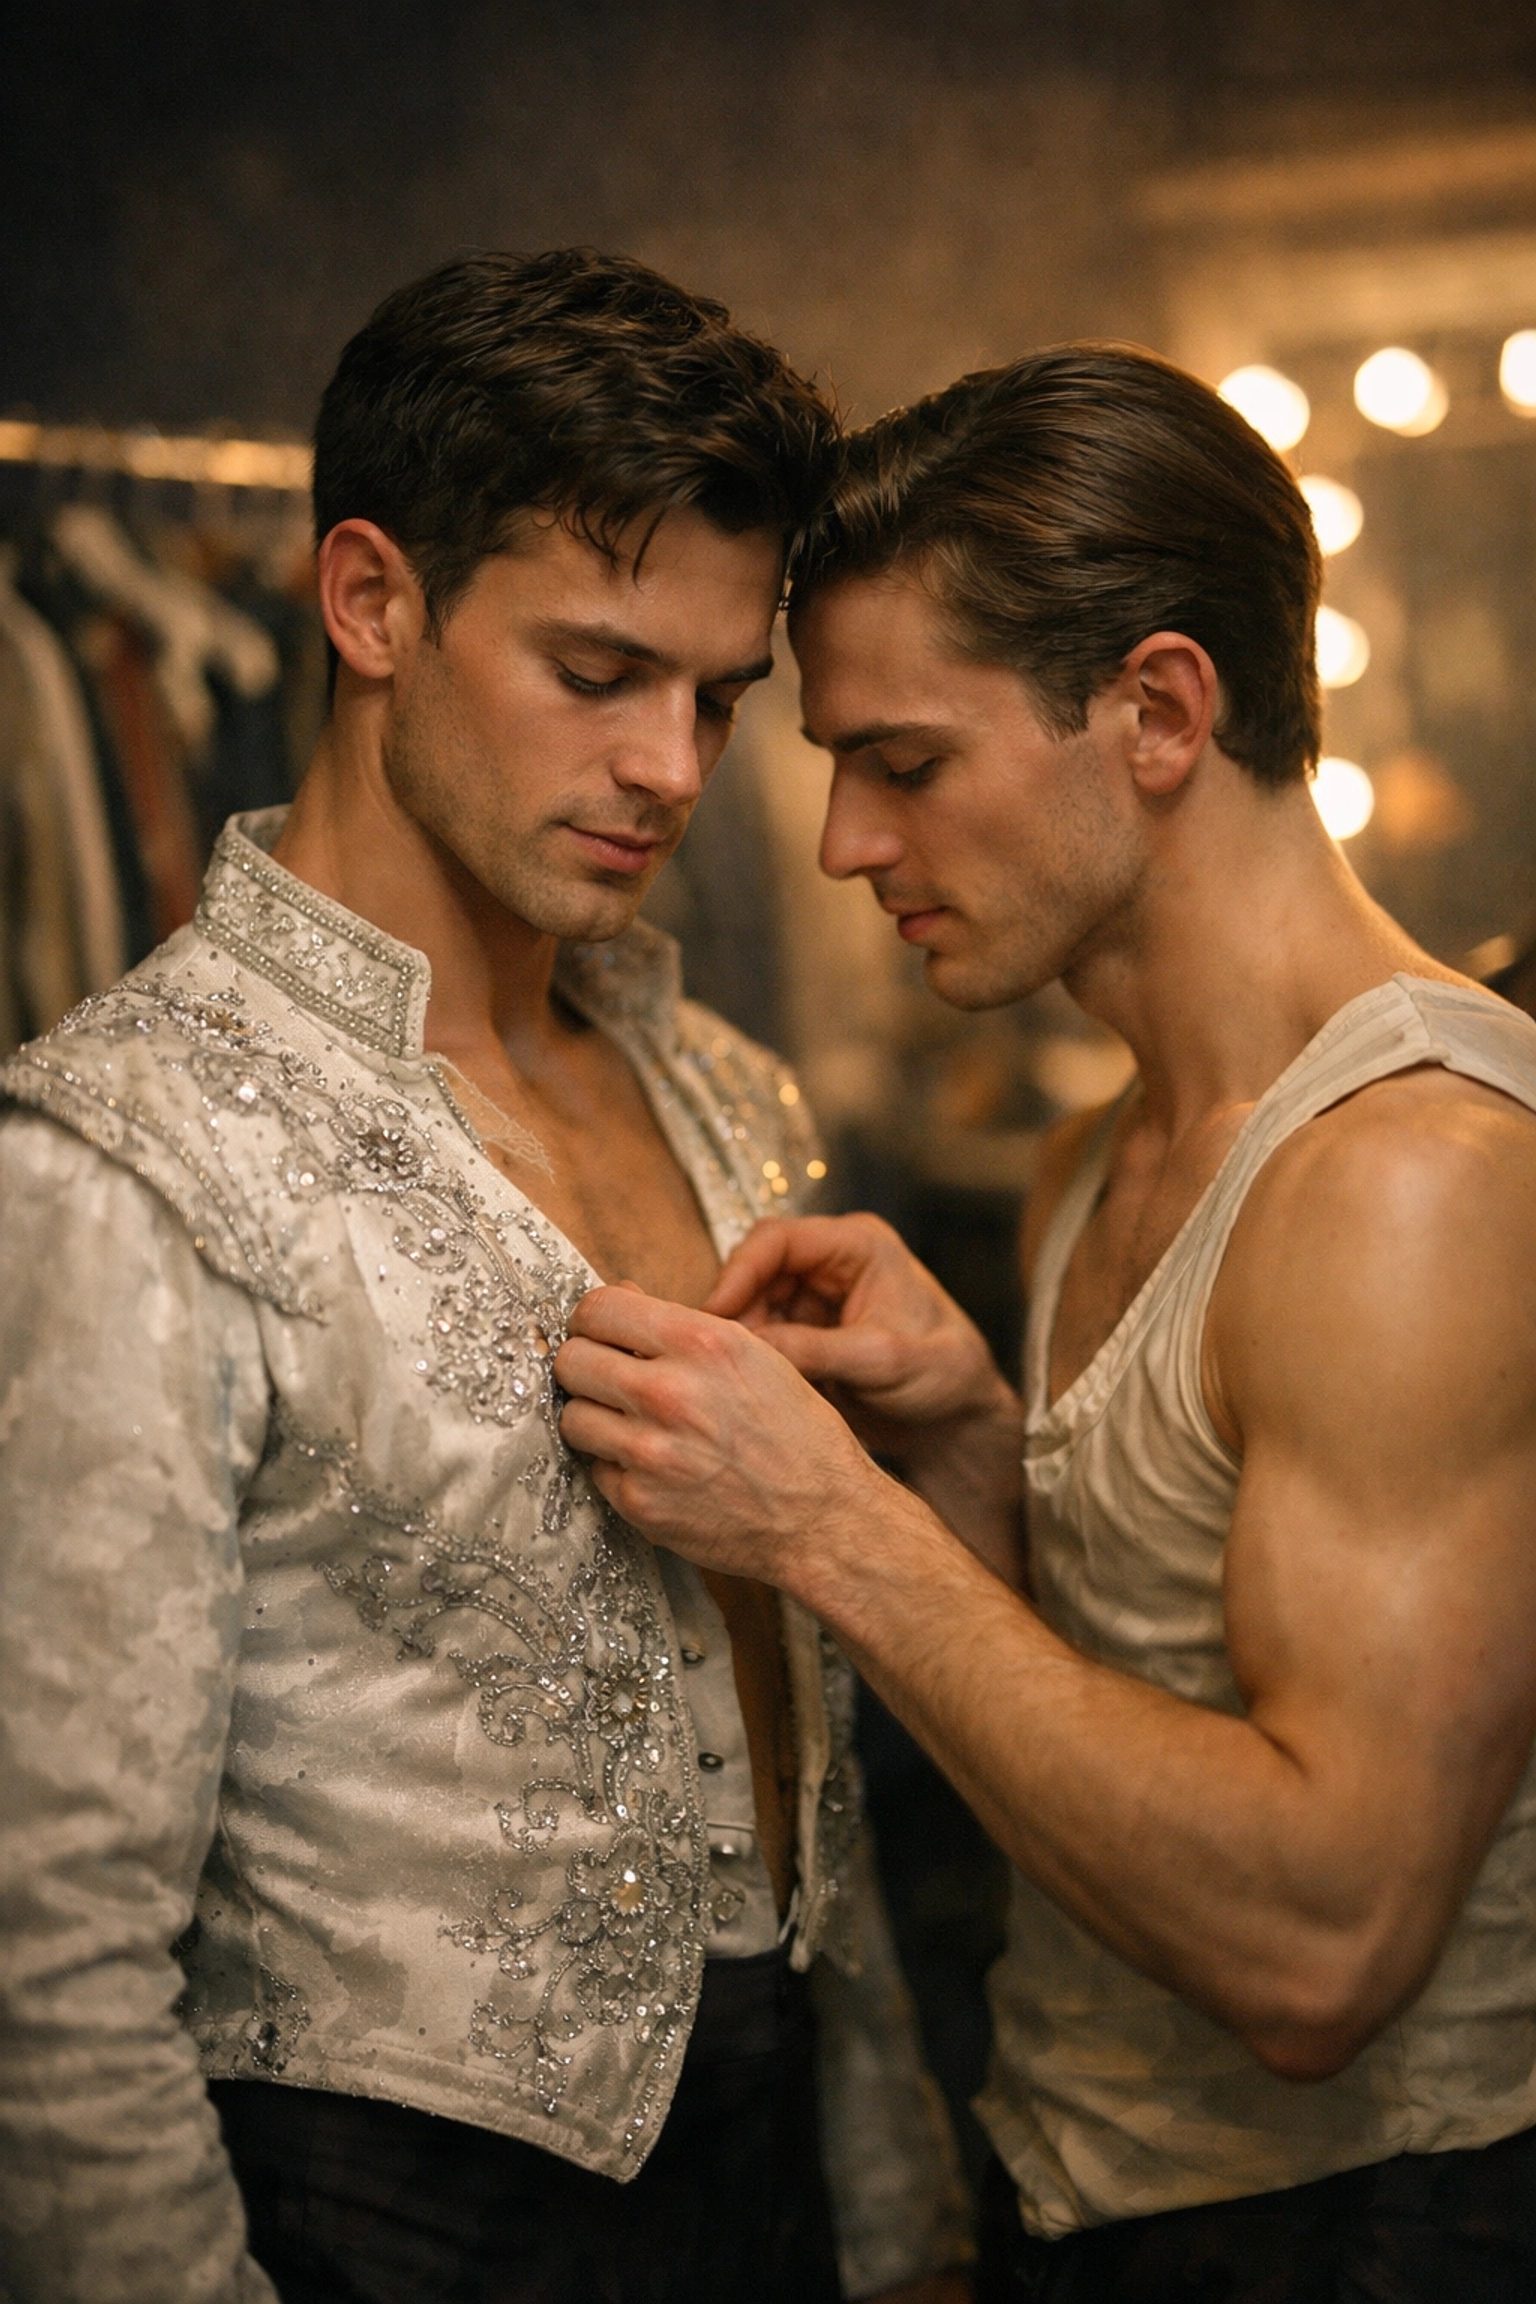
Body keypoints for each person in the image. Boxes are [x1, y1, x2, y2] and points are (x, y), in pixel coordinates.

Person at [0, 250, 972, 2304]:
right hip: (382, 2227)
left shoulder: (730, 1093)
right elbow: (46, 1954)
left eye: (719, 698)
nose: (673, 769)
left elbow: (814, 1802)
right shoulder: (123, 1157)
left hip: (783, 2183)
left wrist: (892, 2207)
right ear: (372, 603)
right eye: (598, 672)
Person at [553, 343, 1536, 2302]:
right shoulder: (1103, 1152)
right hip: (1094, 2206)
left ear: (1160, 710)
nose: (843, 844)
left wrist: (837, 1529)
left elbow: (1322, 1949)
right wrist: (982, 1466)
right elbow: (1171, 1711)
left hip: (1374, 2242)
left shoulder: (1415, 1179)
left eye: (906, 764)